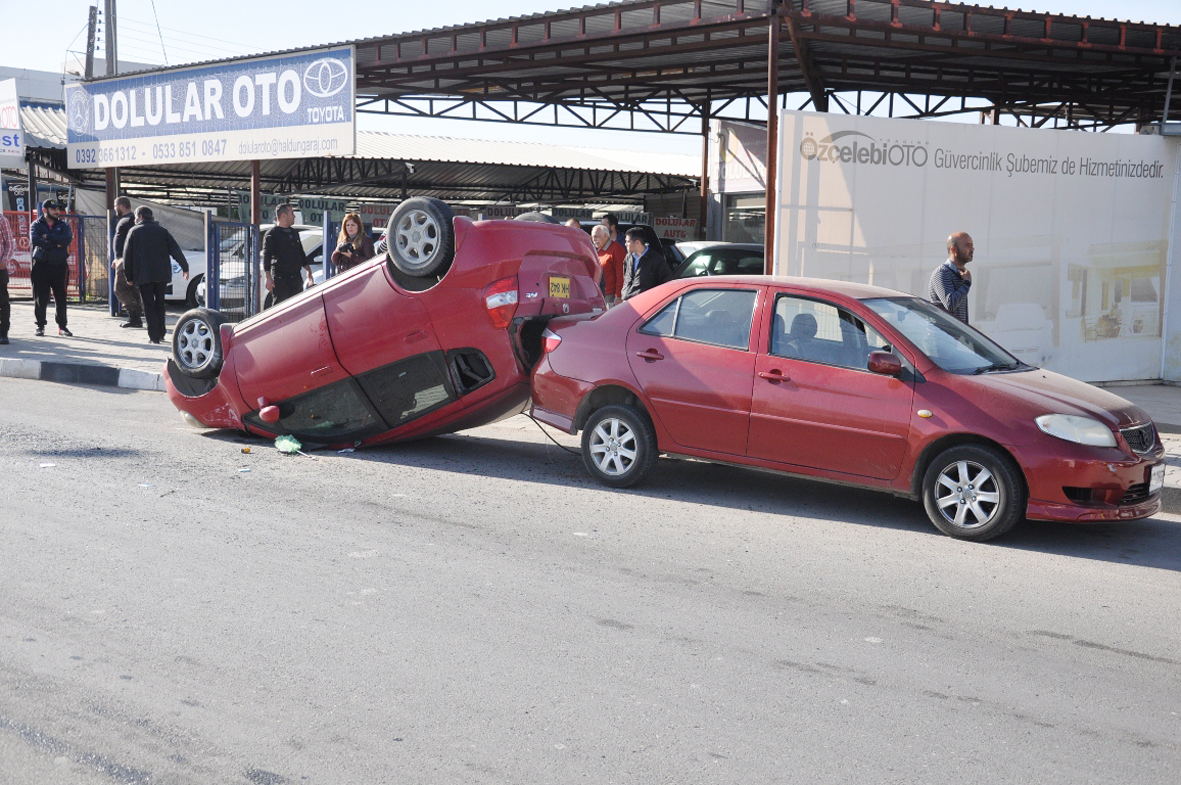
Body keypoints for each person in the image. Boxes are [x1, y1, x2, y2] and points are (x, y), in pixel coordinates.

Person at [123, 206, 188, 345]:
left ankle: (153, 336)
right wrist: (185, 267)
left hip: (143, 275)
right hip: (162, 274)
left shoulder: (134, 232)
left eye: (135, 217)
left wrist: (129, 277)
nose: (134, 220)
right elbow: (175, 250)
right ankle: (161, 332)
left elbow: (127, 256)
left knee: (148, 304)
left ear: (140, 216)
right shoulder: (162, 231)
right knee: (160, 303)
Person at [29, 199, 73, 337]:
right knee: (40, 297)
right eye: (53, 209)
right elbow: (35, 240)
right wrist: (55, 243)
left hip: (59, 265)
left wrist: (48, 237)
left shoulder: (63, 225)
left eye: (57, 209)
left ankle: (62, 326)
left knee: (61, 296)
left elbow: (66, 240)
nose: (56, 211)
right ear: (44, 210)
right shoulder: (36, 225)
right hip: (41, 265)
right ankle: (40, 326)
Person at [263, 204, 313, 306]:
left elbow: (301, 253)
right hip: (281, 279)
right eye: (292, 213)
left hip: (295, 277)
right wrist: (268, 277)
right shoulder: (272, 234)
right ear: (283, 216)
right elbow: (266, 257)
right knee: (280, 306)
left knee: (296, 307)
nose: (294, 216)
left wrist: (308, 270)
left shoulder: (294, 233)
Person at [110, 196, 144, 328]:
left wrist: (121, 258)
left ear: (121, 206)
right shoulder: (127, 220)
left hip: (126, 261)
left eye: (115, 206)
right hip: (123, 259)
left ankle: (134, 315)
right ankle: (136, 317)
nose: (114, 209)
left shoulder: (129, 220)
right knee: (132, 288)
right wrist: (117, 257)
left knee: (119, 289)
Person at [929, 231, 974, 324]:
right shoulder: (942, 273)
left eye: (972, 245)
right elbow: (950, 304)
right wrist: (966, 284)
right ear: (953, 249)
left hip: (955, 336)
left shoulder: (961, 273)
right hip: (943, 336)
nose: (972, 249)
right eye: (967, 245)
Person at [620, 227, 671, 301]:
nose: (625, 244)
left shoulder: (656, 259)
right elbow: (626, 277)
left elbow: (667, 283)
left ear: (637, 242)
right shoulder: (628, 257)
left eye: (628, 241)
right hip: (628, 302)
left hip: (645, 303)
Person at [591, 224, 625, 306]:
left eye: (596, 236)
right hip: (596, 295)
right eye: (592, 237)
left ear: (606, 236)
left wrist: (618, 296)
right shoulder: (594, 250)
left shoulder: (616, 249)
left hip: (610, 296)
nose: (594, 240)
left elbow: (621, 275)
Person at [0, 212, 12, 344]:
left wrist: (4, 261)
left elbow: (9, 243)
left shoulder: (2, 220)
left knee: (3, 302)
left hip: (0, 268)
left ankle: (3, 332)